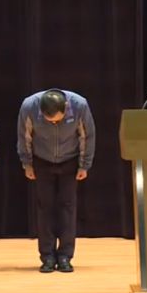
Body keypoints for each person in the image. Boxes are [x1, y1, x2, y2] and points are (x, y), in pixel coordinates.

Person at [17, 89, 95, 273]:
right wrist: (27, 164)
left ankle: (65, 255)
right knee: (45, 208)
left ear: (66, 107)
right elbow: (24, 137)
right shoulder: (29, 106)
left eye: (57, 121)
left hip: (69, 161)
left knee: (67, 207)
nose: (53, 123)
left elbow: (87, 136)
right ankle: (47, 256)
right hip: (42, 161)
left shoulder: (80, 105)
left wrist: (84, 165)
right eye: (49, 120)